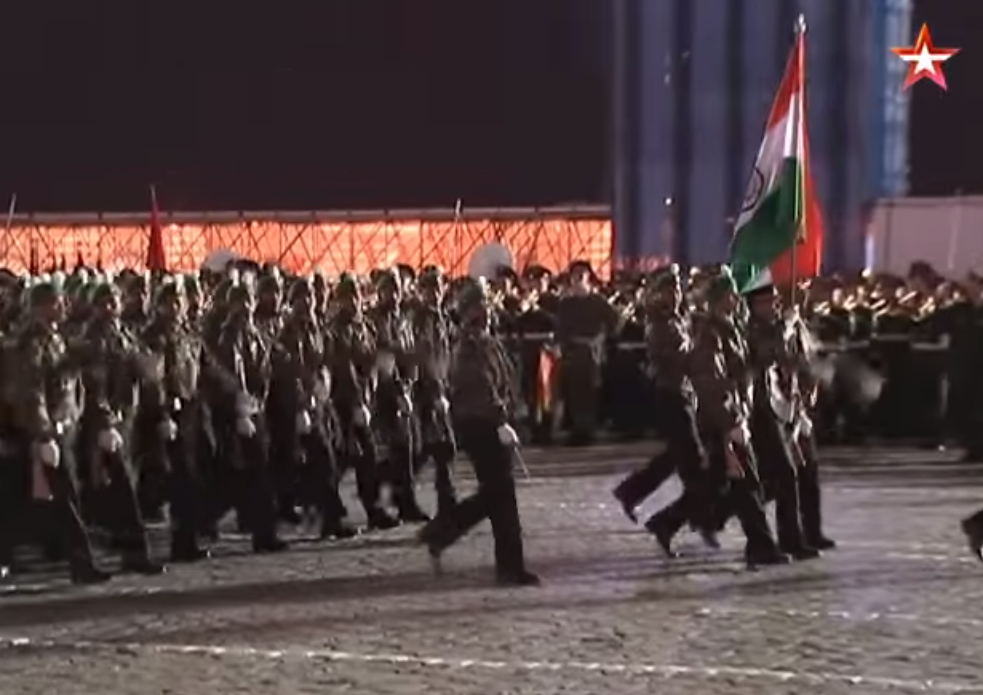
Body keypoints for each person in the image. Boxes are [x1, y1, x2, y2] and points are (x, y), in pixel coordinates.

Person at [418, 278, 539, 587]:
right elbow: (479, 386)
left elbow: (503, 379)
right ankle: (509, 566)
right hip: (480, 424)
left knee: (495, 496)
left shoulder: (486, 340)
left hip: (487, 421)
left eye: (486, 304)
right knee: (502, 495)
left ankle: (445, 532)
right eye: (479, 305)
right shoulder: (470, 345)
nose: (486, 310)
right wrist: (500, 421)